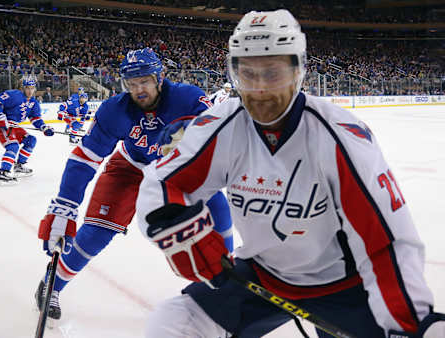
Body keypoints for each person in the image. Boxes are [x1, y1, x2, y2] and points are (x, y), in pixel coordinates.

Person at [135, 9, 445, 338]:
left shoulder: (339, 136)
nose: (259, 90)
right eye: (247, 74)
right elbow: (163, 182)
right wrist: (174, 225)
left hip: (344, 286)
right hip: (263, 273)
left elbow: (383, 241)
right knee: (173, 322)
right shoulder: (223, 124)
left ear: (298, 72)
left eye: (272, 74)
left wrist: (406, 322)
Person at [35, 48, 233, 322]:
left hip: (176, 169)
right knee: (96, 233)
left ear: (159, 78)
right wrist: (65, 205)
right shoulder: (114, 110)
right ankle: (52, 283)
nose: (139, 89)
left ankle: (226, 282)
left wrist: (194, 144)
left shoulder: (187, 98)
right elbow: (85, 158)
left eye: (145, 81)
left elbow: (219, 136)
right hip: (130, 167)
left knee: (217, 207)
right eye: (132, 83)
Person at [0, 75, 55, 185]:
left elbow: (36, 119)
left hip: (15, 127)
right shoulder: (14, 95)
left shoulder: (34, 103)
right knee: (13, 146)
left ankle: (19, 166)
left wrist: (44, 128)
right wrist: (2, 119)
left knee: (31, 140)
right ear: (23, 88)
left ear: (35, 88)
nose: (30, 91)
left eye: (32, 88)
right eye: (27, 88)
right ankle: (3, 173)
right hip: (2, 126)